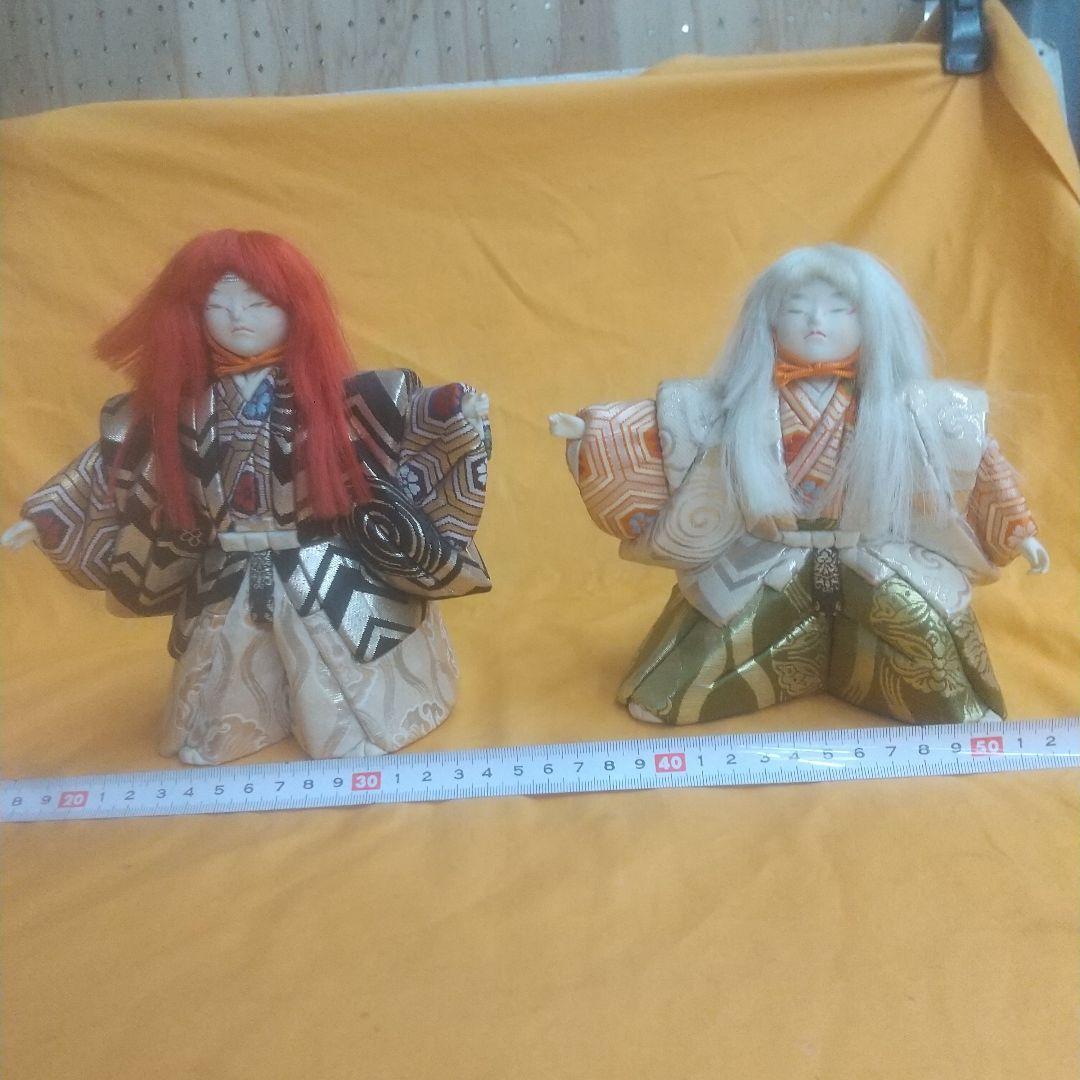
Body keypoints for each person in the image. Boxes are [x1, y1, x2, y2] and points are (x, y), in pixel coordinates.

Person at [3, 230, 492, 764]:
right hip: (227, 569)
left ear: (295, 309)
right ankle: (230, 731)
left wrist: (456, 411)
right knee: (223, 677)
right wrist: (50, 515)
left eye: (259, 304)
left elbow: (415, 419)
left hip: (323, 561)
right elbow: (112, 465)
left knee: (343, 664)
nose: (238, 318)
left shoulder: (341, 399)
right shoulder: (176, 409)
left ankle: (358, 729)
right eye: (217, 306)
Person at [550, 244, 1048, 726]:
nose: (816, 321)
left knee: (924, 624)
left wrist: (1018, 529)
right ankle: (768, 671)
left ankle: (951, 708)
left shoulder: (910, 408)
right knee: (715, 640)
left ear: (873, 322)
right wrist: (594, 432)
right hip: (770, 553)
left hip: (870, 551)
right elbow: (664, 427)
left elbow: (979, 457)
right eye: (796, 308)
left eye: (839, 309)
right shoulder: (740, 405)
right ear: (767, 322)